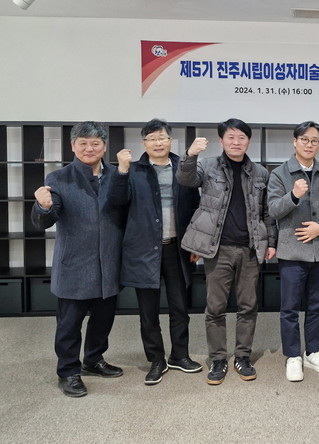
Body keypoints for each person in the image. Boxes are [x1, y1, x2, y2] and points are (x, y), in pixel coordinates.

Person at [176, 118, 277, 385]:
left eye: (241, 137)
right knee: (215, 307)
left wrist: (271, 242)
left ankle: (242, 356)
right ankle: (218, 359)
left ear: (248, 142)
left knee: (248, 306)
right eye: (230, 137)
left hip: (250, 249)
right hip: (217, 249)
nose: (236, 142)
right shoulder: (207, 166)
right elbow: (185, 179)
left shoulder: (260, 173)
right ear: (221, 141)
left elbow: (266, 212)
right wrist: (190, 155)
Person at [31, 121, 125, 397]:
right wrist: (43, 206)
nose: (89, 148)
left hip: (109, 263)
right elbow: (44, 221)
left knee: (103, 320)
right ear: (73, 146)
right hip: (74, 265)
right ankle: (68, 371)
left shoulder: (117, 175)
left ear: (104, 147)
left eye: (95, 143)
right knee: (69, 325)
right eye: (83, 143)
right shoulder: (59, 178)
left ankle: (94, 359)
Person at [112, 119, 202, 385]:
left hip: (177, 248)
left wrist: (194, 244)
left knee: (180, 307)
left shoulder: (183, 168)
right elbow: (116, 202)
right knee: (148, 311)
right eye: (152, 139)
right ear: (144, 143)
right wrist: (122, 171)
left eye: (162, 138)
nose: (158, 143)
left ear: (170, 141)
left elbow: (195, 208)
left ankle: (180, 355)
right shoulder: (134, 170)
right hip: (144, 250)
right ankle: (156, 360)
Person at [267, 121, 319, 382]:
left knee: (317, 305)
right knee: (289, 308)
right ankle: (293, 356)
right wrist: (294, 196)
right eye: (305, 139)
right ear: (295, 141)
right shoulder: (279, 174)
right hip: (291, 252)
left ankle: (313, 352)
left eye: (314, 141)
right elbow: (273, 210)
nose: (309, 144)